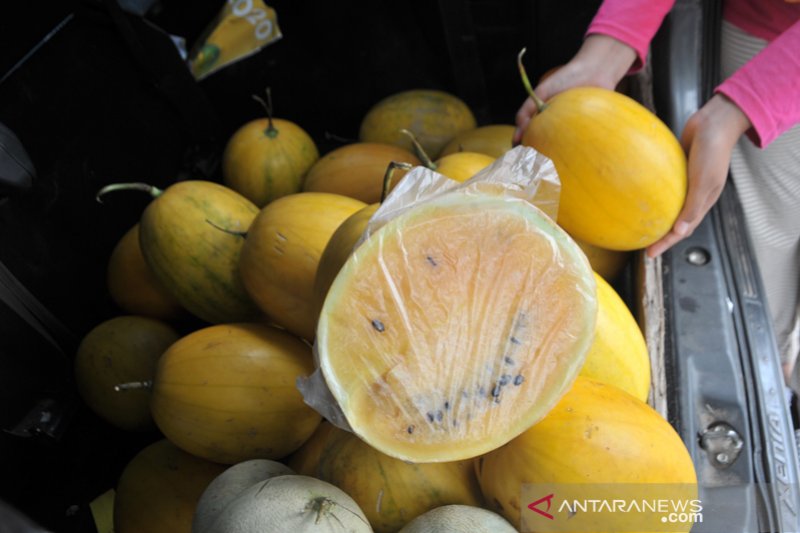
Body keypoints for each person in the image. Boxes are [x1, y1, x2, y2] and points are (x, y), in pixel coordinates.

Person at [513, 0, 800, 388]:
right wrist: (609, 48)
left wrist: (746, 105)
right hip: (762, 27)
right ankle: (778, 372)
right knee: (765, 246)